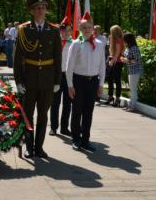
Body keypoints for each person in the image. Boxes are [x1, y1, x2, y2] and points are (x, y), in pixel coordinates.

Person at [14, 0, 61, 159]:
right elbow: (18, 58)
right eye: (37, 7)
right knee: (27, 115)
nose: (40, 10)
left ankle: (39, 147)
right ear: (32, 11)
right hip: (30, 79)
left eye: (43, 7)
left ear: (46, 9)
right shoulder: (23, 30)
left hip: (48, 80)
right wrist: (18, 81)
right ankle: (29, 148)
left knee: (43, 114)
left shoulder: (54, 30)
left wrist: (57, 80)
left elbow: (58, 57)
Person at [66, 18, 106, 152]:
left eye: (89, 27)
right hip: (78, 81)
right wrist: (70, 85)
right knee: (77, 110)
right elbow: (69, 66)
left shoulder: (100, 44)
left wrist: (101, 84)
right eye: (84, 28)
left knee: (88, 112)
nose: (87, 30)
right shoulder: (76, 44)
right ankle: (76, 139)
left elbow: (102, 65)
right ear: (80, 29)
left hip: (93, 81)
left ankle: (85, 140)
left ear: (93, 28)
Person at [50, 23, 73, 136]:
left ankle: (64, 128)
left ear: (70, 32)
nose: (64, 33)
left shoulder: (74, 44)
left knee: (67, 103)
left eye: (67, 30)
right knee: (55, 103)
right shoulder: (54, 42)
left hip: (69, 76)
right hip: (56, 76)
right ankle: (53, 127)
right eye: (62, 30)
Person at [122, 32, 143, 112]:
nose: (123, 41)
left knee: (133, 89)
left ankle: (133, 106)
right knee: (131, 89)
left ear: (128, 40)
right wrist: (125, 60)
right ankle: (131, 105)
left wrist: (127, 60)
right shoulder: (129, 48)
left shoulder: (134, 48)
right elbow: (129, 59)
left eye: (125, 40)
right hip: (131, 70)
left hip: (135, 71)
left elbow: (137, 61)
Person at [106, 25, 125, 106]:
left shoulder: (118, 40)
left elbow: (117, 53)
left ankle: (117, 98)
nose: (110, 33)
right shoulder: (114, 39)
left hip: (117, 62)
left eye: (111, 31)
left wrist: (112, 61)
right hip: (114, 60)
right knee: (110, 79)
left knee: (117, 81)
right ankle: (110, 97)